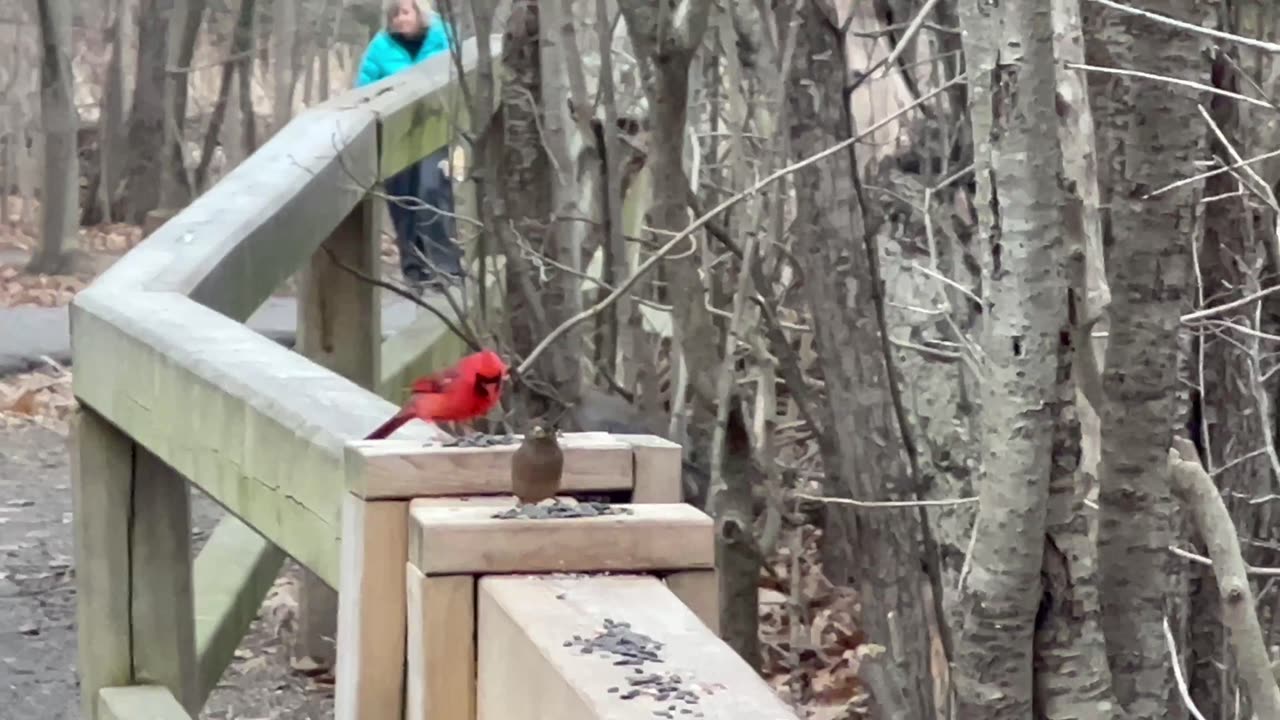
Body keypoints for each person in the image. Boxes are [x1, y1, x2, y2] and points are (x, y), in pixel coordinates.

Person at [355, 0, 464, 290]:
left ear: (420, 13)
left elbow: (462, 77)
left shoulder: (444, 37)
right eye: (394, 16)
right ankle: (414, 268)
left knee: (432, 190)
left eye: (405, 13)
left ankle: (446, 267)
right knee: (402, 199)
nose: (400, 20)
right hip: (396, 136)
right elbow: (363, 89)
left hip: (436, 129)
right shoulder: (380, 48)